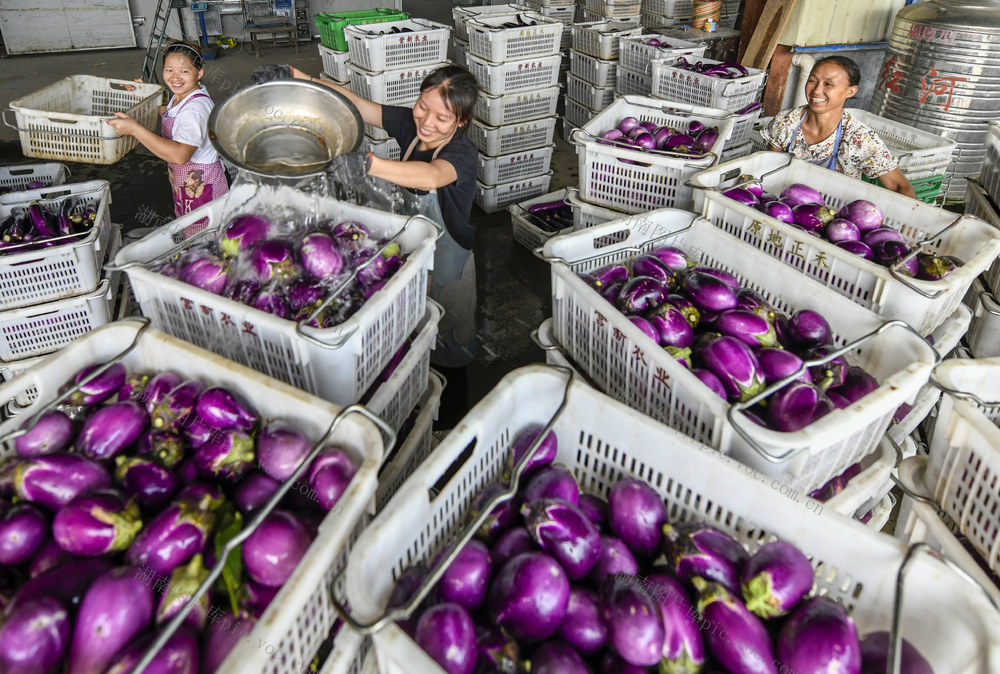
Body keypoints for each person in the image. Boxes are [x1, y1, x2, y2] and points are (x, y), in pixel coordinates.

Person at [289, 64, 482, 369]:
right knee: (411, 325)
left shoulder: (463, 155)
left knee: (448, 331)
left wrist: (368, 164)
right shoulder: (410, 125)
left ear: (461, 121)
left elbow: (431, 176)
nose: (427, 122)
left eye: (442, 118)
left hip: (449, 259)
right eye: (422, 107)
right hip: (412, 248)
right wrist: (298, 77)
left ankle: (452, 387)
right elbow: (356, 105)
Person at [761, 55, 917, 199]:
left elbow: (900, 187)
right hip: (786, 203)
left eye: (828, 84)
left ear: (850, 91)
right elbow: (771, 172)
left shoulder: (858, 139)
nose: (816, 90)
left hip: (837, 213)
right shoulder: (786, 122)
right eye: (812, 81)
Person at [107, 41, 230, 223]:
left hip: (203, 187)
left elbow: (180, 155)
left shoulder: (194, 109)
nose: (175, 78)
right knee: (191, 229)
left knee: (205, 239)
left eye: (184, 71)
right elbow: (167, 112)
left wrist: (134, 129)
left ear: (200, 72)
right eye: (169, 70)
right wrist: (143, 96)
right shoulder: (182, 96)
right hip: (187, 183)